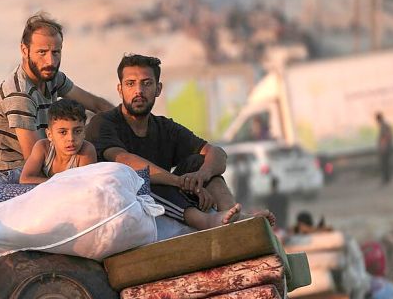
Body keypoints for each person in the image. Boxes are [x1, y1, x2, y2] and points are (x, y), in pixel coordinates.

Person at [86, 54, 273, 230]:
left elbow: (217, 153)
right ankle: (207, 221)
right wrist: (179, 182)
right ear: (120, 89)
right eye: (130, 84)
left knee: (200, 161)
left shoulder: (164, 127)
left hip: (168, 197)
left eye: (146, 83)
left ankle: (233, 215)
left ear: (158, 89)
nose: (139, 91)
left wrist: (201, 176)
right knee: (143, 179)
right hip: (125, 199)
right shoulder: (103, 123)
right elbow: (124, 160)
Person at [0, 13, 113, 177]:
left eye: (56, 52)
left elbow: (97, 105)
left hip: (47, 156)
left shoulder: (51, 76)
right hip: (15, 171)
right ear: (24, 50)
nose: (50, 61)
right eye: (42, 52)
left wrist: (126, 124)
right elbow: (35, 161)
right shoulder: (19, 96)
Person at [19, 98, 97, 184]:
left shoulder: (86, 151)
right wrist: (61, 183)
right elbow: (25, 179)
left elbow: (84, 185)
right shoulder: (42, 147)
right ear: (50, 135)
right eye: (63, 132)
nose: (71, 138)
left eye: (77, 131)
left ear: (84, 132)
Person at [376, 112, 393, 185]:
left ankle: (385, 180)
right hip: (387, 147)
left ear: (378, 119)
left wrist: (383, 147)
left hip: (385, 148)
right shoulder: (385, 125)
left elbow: (386, 137)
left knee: (384, 164)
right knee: (386, 164)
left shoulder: (383, 126)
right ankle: (387, 179)